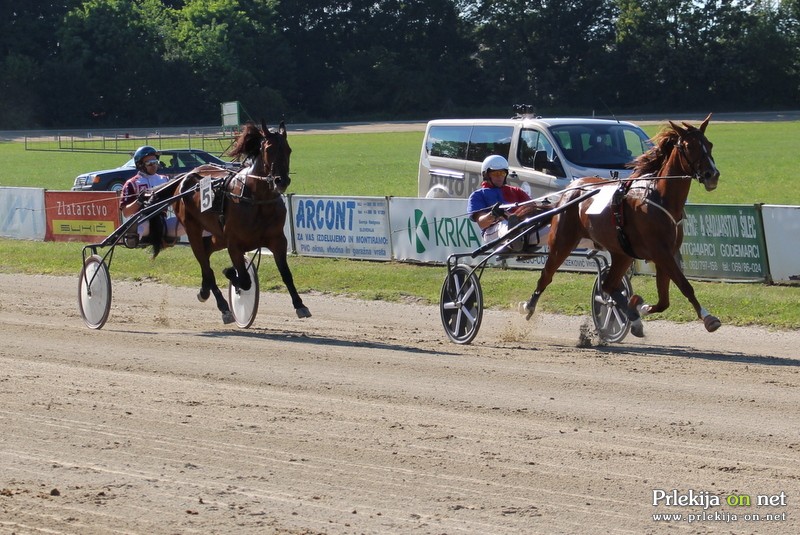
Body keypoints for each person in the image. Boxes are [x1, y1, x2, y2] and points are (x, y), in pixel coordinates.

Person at [467, 155, 550, 250]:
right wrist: (492, 215)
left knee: (552, 229)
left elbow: (532, 208)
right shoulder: (477, 195)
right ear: (486, 175)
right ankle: (513, 241)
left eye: (502, 173)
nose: (500, 177)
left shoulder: (516, 191)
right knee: (505, 224)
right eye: (496, 173)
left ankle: (519, 240)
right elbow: (482, 223)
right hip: (493, 231)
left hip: (522, 229)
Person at [119, 145, 184, 250]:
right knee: (138, 223)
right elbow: (126, 212)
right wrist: (139, 201)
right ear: (140, 164)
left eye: (155, 162)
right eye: (149, 163)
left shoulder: (165, 180)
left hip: (163, 223)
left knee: (188, 221)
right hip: (143, 222)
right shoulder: (131, 183)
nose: (154, 166)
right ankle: (132, 239)